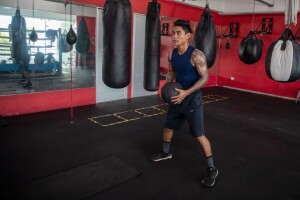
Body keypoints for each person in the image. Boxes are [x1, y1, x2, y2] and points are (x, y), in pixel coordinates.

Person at [150, 19, 218, 187]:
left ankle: (212, 168)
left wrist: (186, 93)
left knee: (199, 136)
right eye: (173, 33)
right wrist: (165, 89)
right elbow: (171, 74)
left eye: (178, 33)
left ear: (188, 36)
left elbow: (205, 78)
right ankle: (165, 152)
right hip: (176, 98)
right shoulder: (171, 54)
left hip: (191, 100)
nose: (174, 36)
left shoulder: (197, 55)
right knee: (168, 127)